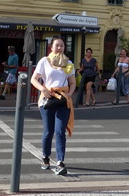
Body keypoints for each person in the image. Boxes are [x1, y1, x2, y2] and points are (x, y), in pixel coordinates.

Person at [31, 36, 76, 175]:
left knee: (60, 131)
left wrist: (69, 95)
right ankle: (45, 157)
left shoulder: (68, 63)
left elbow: (73, 83)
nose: (59, 48)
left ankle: (60, 162)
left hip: (63, 100)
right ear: (51, 47)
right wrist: (43, 89)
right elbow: (34, 79)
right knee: (48, 131)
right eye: (57, 45)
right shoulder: (44, 61)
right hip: (48, 99)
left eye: (62, 45)